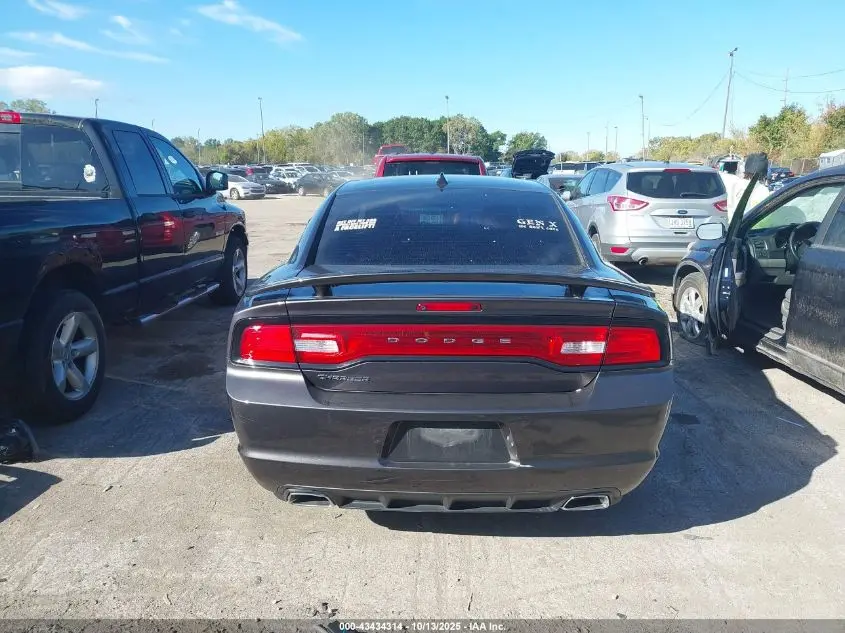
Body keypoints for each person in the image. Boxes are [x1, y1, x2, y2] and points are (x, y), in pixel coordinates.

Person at [725, 153, 770, 222]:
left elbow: (730, 207)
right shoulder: (763, 190)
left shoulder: (735, 185)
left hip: (735, 226)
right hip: (753, 227)